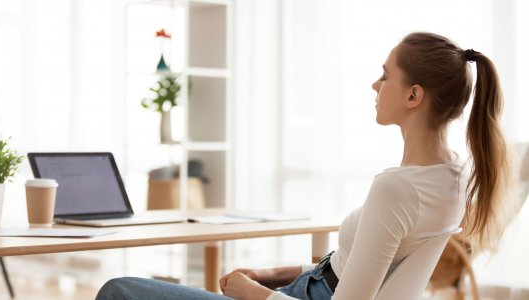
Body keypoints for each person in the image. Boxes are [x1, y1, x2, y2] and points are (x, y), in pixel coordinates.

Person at [95, 32, 512, 300]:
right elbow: (358, 267)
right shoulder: (453, 175)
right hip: (304, 286)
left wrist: (252, 291)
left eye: (385, 76)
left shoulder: (398, 188)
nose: (375, 85)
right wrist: (269, 272)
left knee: (120, 290)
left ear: (413, 96)